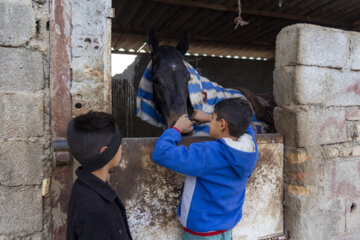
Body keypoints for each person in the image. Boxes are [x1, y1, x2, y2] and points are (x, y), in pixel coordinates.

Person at [152, 98, 258, 240]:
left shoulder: (207, 153)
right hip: (226, 229)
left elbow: (161, 153)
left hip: (201, 233)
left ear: (222, 124)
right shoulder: (250, 148)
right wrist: (209, 117)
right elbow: (247, 125)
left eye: (213, 118)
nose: (210, 122)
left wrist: (176, 128)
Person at [66, 111, 133, 240]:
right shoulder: (94, 210)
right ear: (105, 153)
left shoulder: (84, 185)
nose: (121, 147)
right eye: (118, 143)